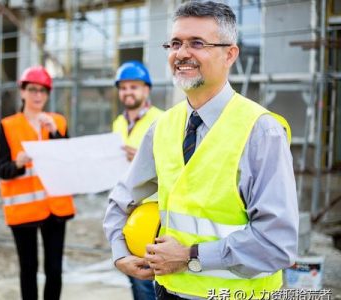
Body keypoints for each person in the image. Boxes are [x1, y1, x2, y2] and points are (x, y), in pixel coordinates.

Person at [103, 2, 298, 299]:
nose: (182, 53)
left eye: (197, 43)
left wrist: (191, 256)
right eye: (175, 43)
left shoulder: (262, 131)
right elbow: (122, 198)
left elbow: (278, 243)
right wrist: (119, 251)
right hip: (169, 292)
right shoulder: (163, 127)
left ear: (230, 54)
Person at [0, 66, 76, 300]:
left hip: (56, 207)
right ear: (22, 92)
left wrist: (54, 133)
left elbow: (69, 159)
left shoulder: (58, 122)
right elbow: (2, 169)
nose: (38, 95)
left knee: (54, 269)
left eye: (43, 91)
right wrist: (18, 163)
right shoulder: (8, 126)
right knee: (28, 268)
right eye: (32, 90)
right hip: (24, 209)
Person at [112, 61, 163, 300]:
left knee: (149, 284)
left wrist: (142, 161)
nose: (128, 92)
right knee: (134, 277)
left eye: (134, 86)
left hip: (153, 216)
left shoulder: (162, 121)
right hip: (127, 211)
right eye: (123, 87)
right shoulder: (119, 123)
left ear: (146, 90)